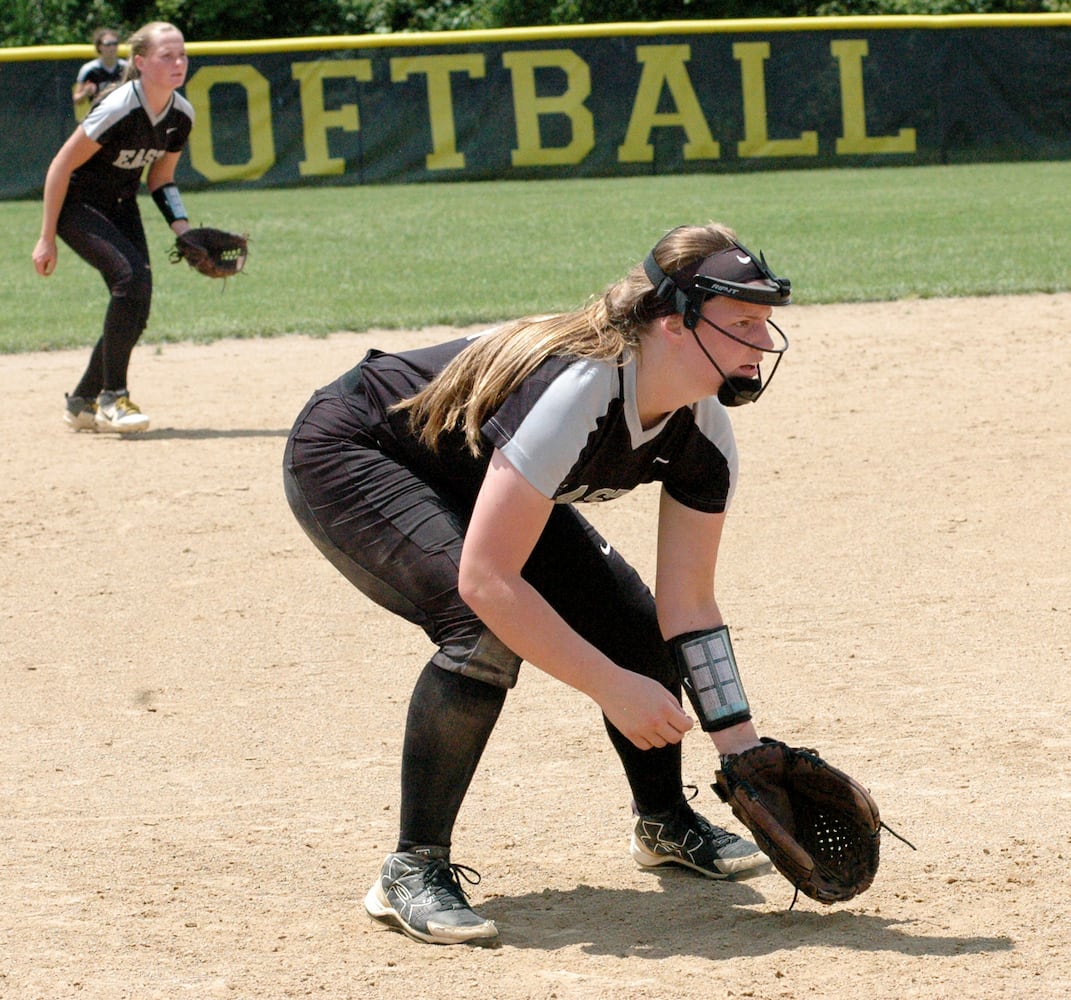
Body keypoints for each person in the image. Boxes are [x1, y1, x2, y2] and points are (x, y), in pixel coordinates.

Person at [283, 222, 793, 947]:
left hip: (483, 475)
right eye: (742, 324)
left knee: (636, 623)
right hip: (358, 449)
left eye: (765, 325)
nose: (762, 344)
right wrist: (610, 688)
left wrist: (741, 752)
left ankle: (663, 822)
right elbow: (487, 580)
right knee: (482, 628)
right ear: (674, 322)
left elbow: (690, 607)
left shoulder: (701, 431)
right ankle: (411, 867)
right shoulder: (581, 388)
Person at [33, 22, 194, 433]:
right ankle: (113, 397)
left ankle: (82, 401)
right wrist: (46, 237)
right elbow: (60, 165)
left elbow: (161, 179)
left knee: (135, 307)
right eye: (166, 56)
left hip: (122, 205)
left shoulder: (180, 114)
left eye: (182, 55)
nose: (178, 63)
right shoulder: (119, 106)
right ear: (139, 62)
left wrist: (184, 231)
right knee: (130, 280)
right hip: (77, 206)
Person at [72, 28, 128, 117]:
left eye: (115, 44)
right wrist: (86, 92)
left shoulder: (126, 68)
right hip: (99, 117)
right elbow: (76, 99)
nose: (112, 47)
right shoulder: (89, 70)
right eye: (108, 44)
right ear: (99, 46)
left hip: (122, 117)